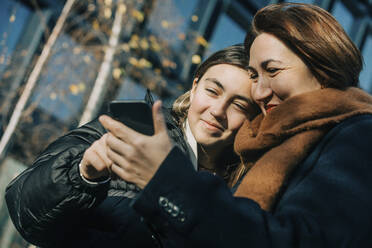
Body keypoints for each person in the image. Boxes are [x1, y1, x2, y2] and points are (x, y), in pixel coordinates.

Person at [95, 3, 372, 247]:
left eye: (272, 70)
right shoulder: (264, 148)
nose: (260, 92)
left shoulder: (359, 135)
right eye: (254, 75)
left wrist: (166, 180)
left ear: (322, 65)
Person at [5, 44, 259, 247]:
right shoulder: (131, 130)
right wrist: (83, 174)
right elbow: (24, 211)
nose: (217, 110)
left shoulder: (246, 192)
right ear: (194, 88)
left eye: (238, 105)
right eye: (212, 91)